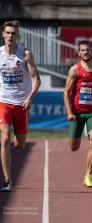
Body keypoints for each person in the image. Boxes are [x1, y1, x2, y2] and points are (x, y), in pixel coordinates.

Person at [0, 20, 41, 192]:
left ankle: (18, 140)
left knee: (20, 144)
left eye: (13, 33)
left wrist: (29, 98)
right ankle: (8, 180)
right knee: (5, 139)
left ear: (18, 35)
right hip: (3, 102)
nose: (10, 36)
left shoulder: (25, 54)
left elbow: (37, 79)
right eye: (8, 33)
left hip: (21, 104)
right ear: (3, 34)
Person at [63, 40, 92, 187]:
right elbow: (66, 92)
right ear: (79, 53)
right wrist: (69, 112)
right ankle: (76, 137)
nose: (85, 52)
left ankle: (88, 175)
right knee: (74, 147)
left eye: (87, 50)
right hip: (77, 112)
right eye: (82, 50)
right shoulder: (75, 70)